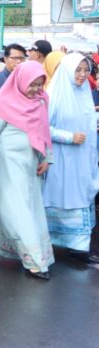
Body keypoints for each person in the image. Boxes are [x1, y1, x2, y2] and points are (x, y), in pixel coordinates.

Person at [0, 61, 54, 279]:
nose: (36, 90)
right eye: (32, 84)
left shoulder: (40, 102)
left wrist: (47, 158)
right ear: (20, 81)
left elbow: (43, 131)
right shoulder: (3, 104)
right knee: (17, 211)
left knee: (20, 209)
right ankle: (34, 261)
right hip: (7, 167)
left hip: (30, 166)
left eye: (40, 84)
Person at [42, 53, 99, 264]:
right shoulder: (53, 95)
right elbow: (42, 128)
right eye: (78, 70)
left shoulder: (85, 94)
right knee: (60, 197)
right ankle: (51, 242)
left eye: (86, 70)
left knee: (82, 197)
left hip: (83, 160)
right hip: (60, 159)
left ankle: (80, 247)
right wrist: (69, 137)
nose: (83, 75)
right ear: (66, 70)